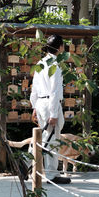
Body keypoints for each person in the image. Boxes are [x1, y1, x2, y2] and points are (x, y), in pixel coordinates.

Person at [29, 34, 71, 184]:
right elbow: (54, 91)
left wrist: (34, 106)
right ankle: (51, 174)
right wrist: (53, 113)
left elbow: (34, 87)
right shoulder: (55, 65)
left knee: (44, 137)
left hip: (40, 102)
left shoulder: (41, 63)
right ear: (60, 47)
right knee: (51, 138)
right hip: (49, 103)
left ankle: (30, 163)